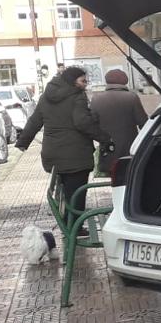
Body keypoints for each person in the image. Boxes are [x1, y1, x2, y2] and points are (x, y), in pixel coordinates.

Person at [16, 66, 112, 227]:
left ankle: (69, 224)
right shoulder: (77, 96)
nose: (85, 84)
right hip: (75, 155)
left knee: (67, 191)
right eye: (83, 81)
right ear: (72, 81)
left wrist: (23, 142)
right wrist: (104, 138)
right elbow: (82, 122)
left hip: (52, 154)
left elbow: (34, 121)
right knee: (77, 193)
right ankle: (74, 227)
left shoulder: (46, 96)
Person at [89, 69, 147, 175]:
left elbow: (91, 123)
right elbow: (142, 122)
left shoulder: (96, 98)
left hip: (107, 147)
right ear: (125, 81)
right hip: (129, 146)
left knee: (112, 175)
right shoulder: (132, 97)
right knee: (129, 175)